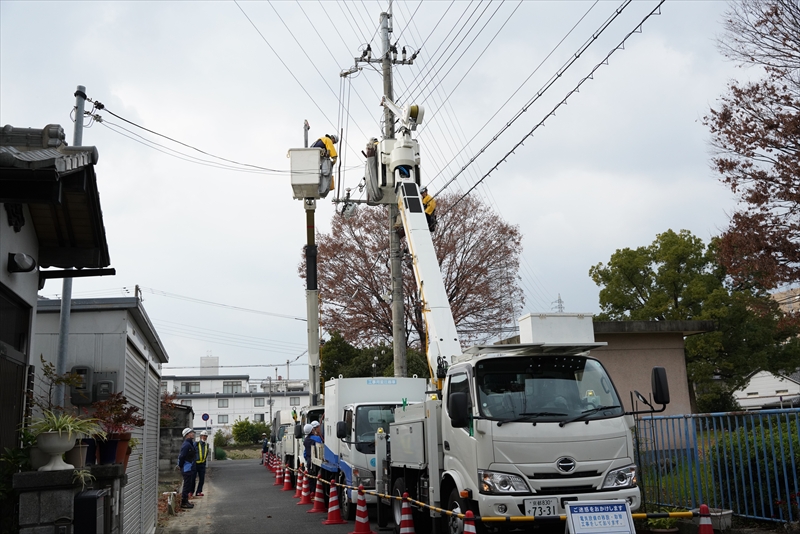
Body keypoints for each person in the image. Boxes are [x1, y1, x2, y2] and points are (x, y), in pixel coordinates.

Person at [177, 428, 197, 509]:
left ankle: (186, 501)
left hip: (188, 467)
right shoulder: (186, 445)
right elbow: (182, 456)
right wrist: (181, 466)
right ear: (187, 434)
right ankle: (184, 502)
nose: (193, 434)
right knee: (186, 485)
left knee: (188, 485)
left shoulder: (190, 443)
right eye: (191, 433)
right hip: (186, 468)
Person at [194, 430, 210, 497]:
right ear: (200, 436)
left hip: (202, 464)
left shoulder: (207, 445)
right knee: (193, 479)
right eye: (203, 436)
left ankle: (199, 491)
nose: (204, 437)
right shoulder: (196, 444)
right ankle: (191, 492)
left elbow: (206, 454)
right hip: (195, 464)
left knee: (202, 479)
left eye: (205, 436)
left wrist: (204, 463)